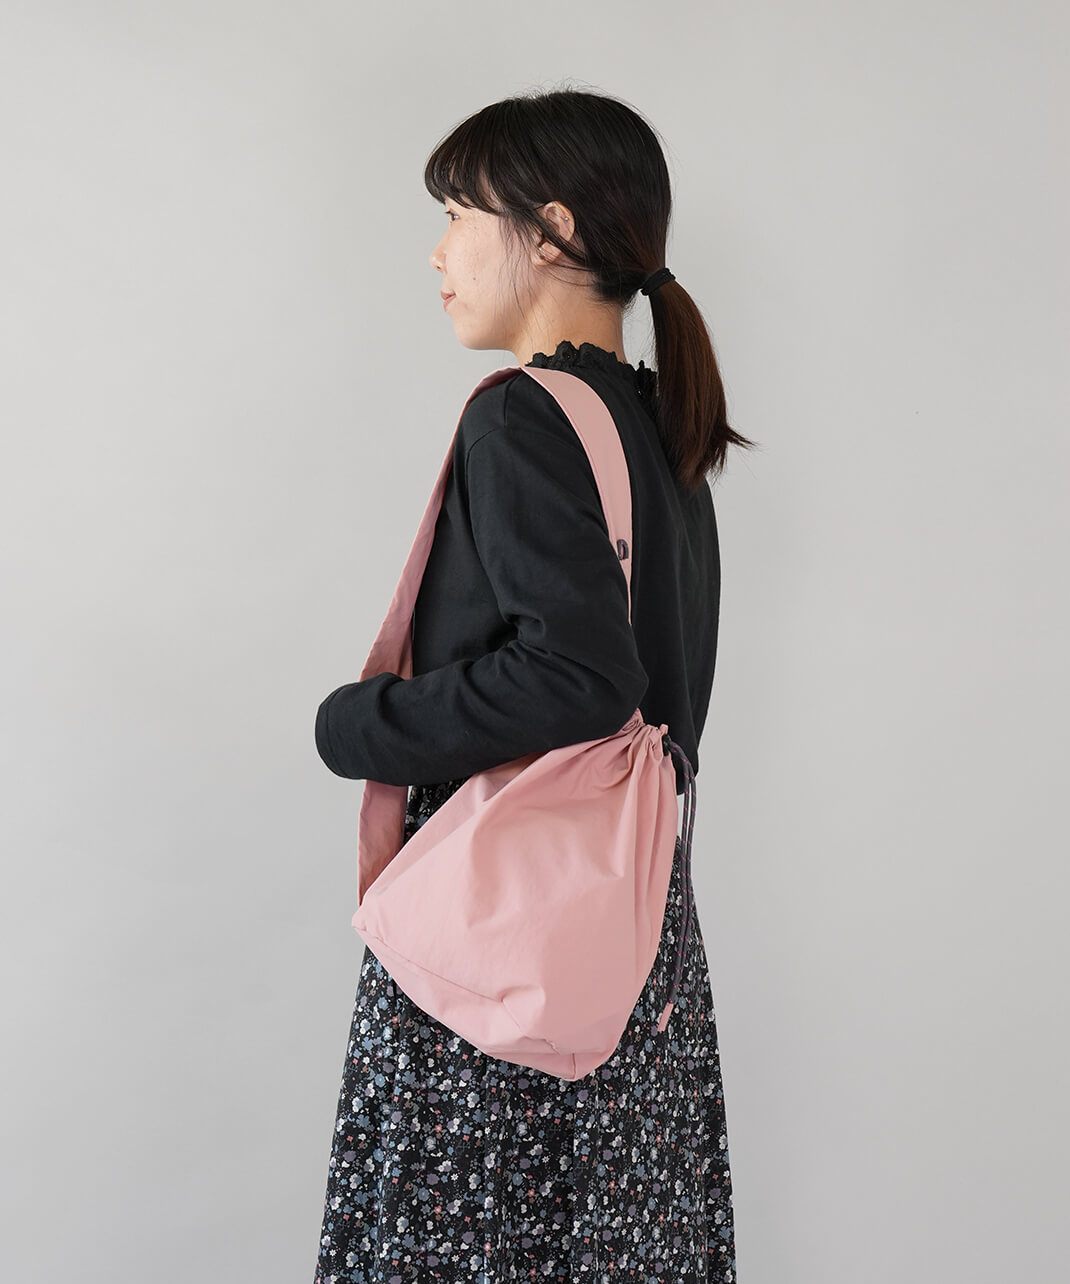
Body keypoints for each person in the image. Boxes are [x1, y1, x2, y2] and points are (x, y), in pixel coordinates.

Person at [312, 86, 756, 1284]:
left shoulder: (521, 419)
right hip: (634, 936)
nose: (438, 252)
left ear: (549, 233)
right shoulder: (660, 431)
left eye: (459, 215)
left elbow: (579, 676)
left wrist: (361, 724)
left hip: (506, 940)